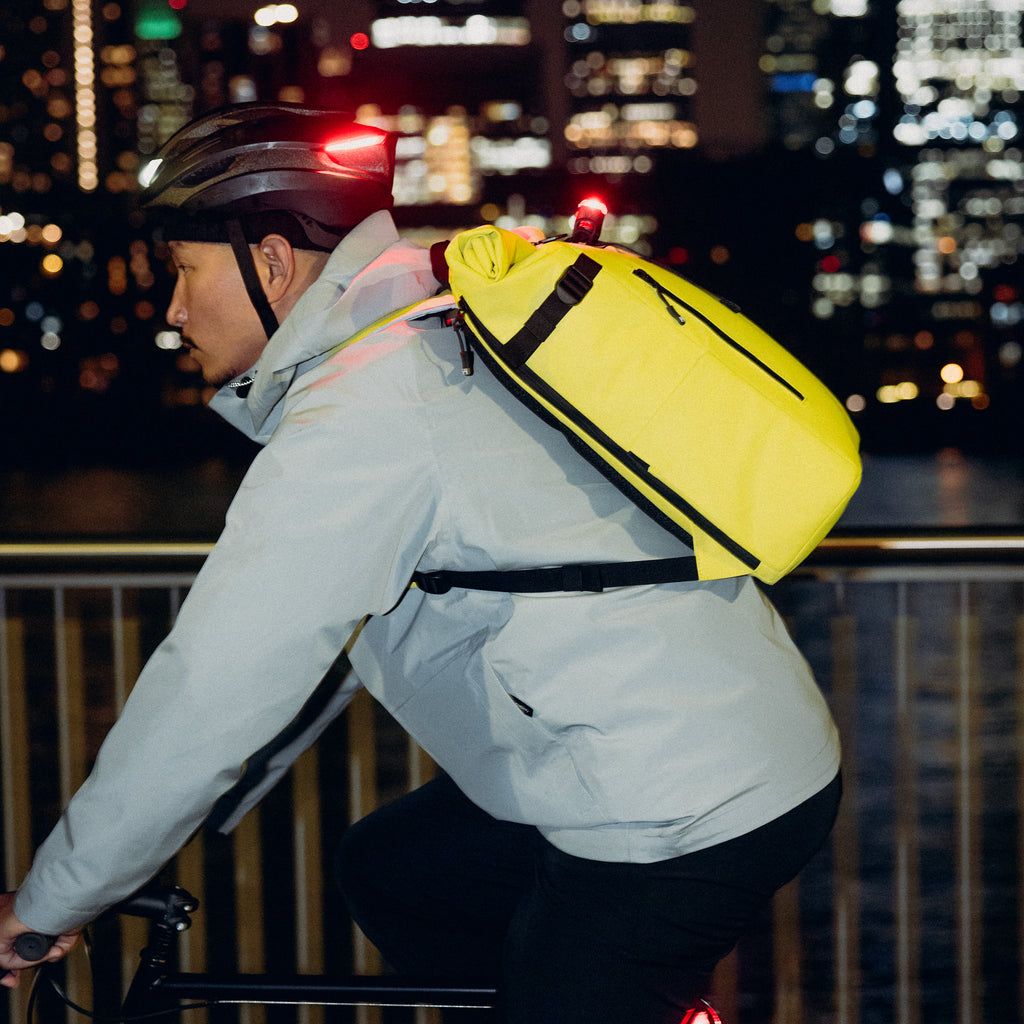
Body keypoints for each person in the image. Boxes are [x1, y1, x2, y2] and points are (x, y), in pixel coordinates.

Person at [0, 103, 841, 1023]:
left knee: (561, 980)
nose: (171, 309)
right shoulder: (429, 332)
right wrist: (165, 833)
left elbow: (216, 683)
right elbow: (306, 654)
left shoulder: (370, 406)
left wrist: (48, 908)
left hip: (679, 804)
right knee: (394, 871)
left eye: (183, 271)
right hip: (701, 741)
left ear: (272, 263)